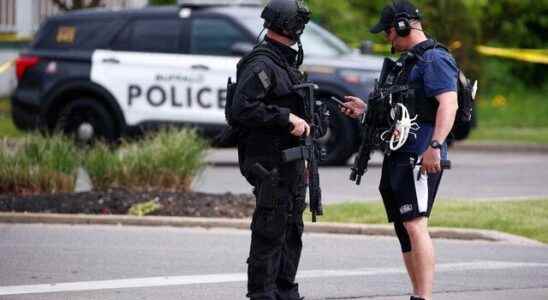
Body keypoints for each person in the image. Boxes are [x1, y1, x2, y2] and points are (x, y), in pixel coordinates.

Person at [340, 1, 459, 300]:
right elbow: (405, 109)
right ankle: (417, 293)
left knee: (415, 224)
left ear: (404, 25)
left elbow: (449, 103)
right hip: (399, 154)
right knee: (404, 228)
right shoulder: (411, 62)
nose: (387, 38)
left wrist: (434, 147)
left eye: (389, 31)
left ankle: (424, 296)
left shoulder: (434, 60)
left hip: (419, 154)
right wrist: (366, 111)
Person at [228, 0, 311, 299]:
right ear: (291, 27)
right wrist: (285, 118)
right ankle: (263, 294)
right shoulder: (261, 63)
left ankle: (285, 292)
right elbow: (243, 108)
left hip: (289, 161)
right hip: (269, 161)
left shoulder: (284, 63)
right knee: (270, 231)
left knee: (291, 231)